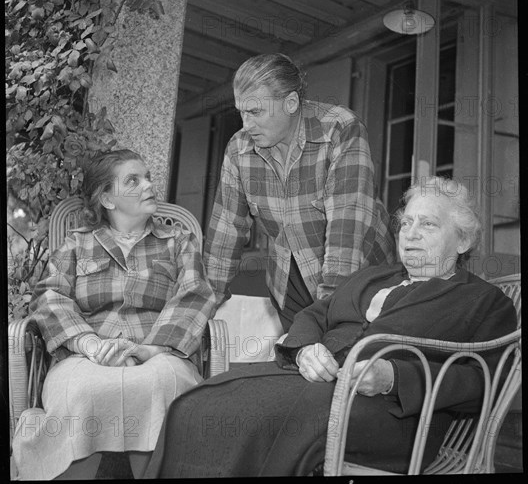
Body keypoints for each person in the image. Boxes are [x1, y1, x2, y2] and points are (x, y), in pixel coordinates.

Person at [144, 176, 517, 477]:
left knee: (248, 419)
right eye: (406, 224)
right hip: (306, 385)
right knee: (194, 405)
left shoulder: (483, 301)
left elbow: (486, 381)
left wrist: (395, 378)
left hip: (387, 414)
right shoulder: (375, 276)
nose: (411, 234)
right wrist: (306, 349)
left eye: (428, 224)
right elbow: (313, 315)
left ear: (464, 239)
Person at [11, 149, 216, 480]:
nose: (148, 185)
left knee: (163, 384)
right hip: (87, 355)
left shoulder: (179, 240)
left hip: (159, 352)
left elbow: (195, 294)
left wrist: (151, 348)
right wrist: (87, 343)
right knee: (80, 392)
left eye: (147, 177)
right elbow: (50, 296)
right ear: (107, 198)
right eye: (133, 180)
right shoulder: (76, 244)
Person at [205, 53, 396, 331]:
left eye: (255, 112)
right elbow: (224, 236)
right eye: (241, 112)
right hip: (290, 277)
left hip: (361, 279)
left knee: (346, 364)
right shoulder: (239, 149)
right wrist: (199, 314)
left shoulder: (340, 129)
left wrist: (328, 315)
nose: (246, 124)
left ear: (291, 103)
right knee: (300, 365)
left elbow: (348, 228)